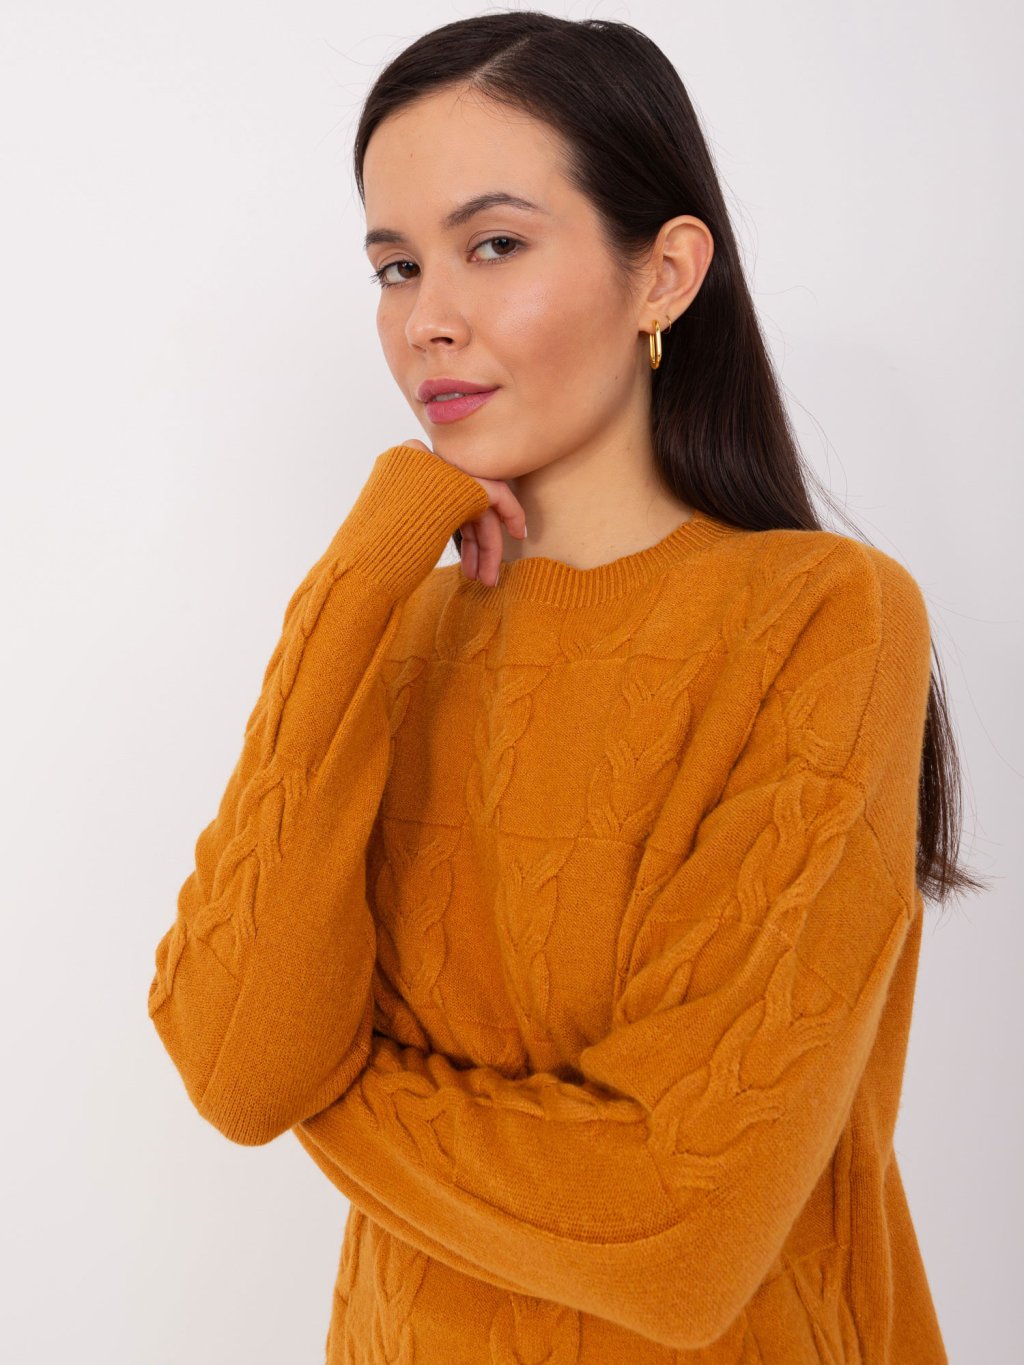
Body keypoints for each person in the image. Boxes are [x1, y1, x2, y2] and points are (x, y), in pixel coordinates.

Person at [148, 12, 983, 1362]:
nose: (428, 319)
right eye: (396, 266)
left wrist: (334, 1084)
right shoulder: (390, 629)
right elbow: (240, 1067)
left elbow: (678, 1228)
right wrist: (365, 568)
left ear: (664, 275)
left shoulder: (823, 619)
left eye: (494, 245)